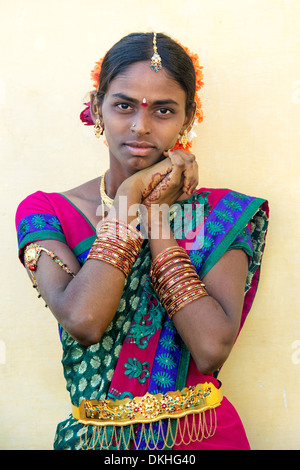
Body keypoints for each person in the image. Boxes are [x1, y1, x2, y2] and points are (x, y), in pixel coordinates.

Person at [15, 32, 269, 450]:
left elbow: (210, 348)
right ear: (97, 107)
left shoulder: (223, 213)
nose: (140, 126)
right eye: (123, 105)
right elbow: (85, 320)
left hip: (201, 438)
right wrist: (129, 197)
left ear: (188, 119)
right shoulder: (47, 212)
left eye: (164, 111)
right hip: (97, 442)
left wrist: (151, 214)